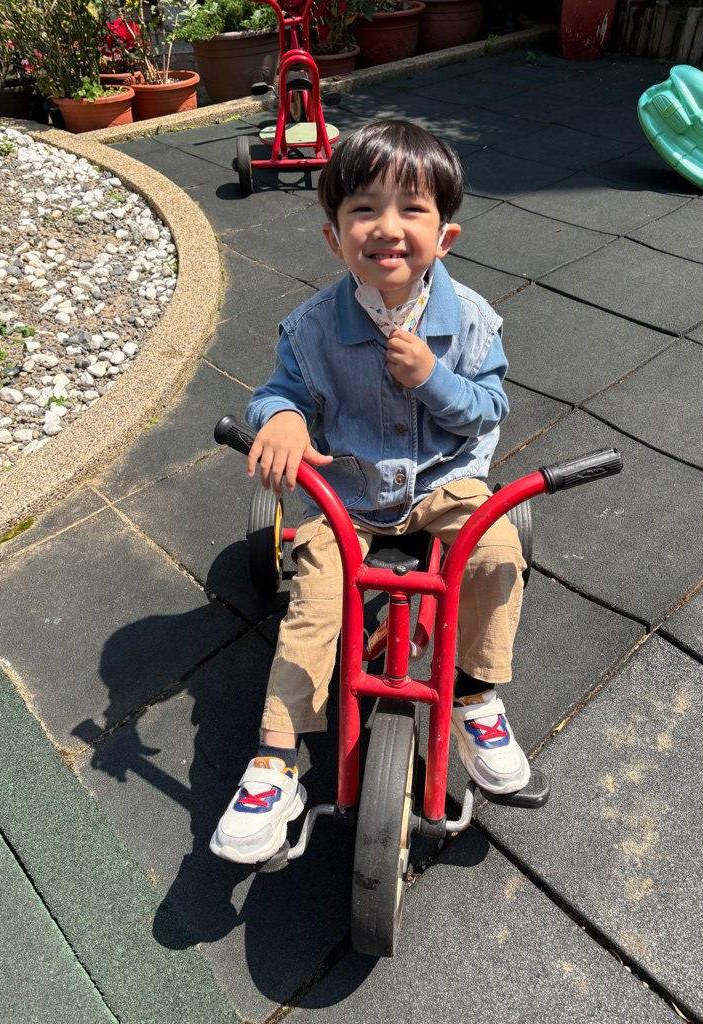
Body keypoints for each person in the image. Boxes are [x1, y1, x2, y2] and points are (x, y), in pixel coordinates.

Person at [211, 120, 527, 865]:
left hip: (442, 481)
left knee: (496, 551)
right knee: (317, 597)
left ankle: (474, 692)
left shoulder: (473, 323)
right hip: (348, 494)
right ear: (335, 237)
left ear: (444, 237)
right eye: (364, 209)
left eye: (411, 208)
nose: (387, 227)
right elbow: (278, 392)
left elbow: (489, 409)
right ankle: (276, 759)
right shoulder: (312, 329)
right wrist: (283, 419)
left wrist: (434, 379)